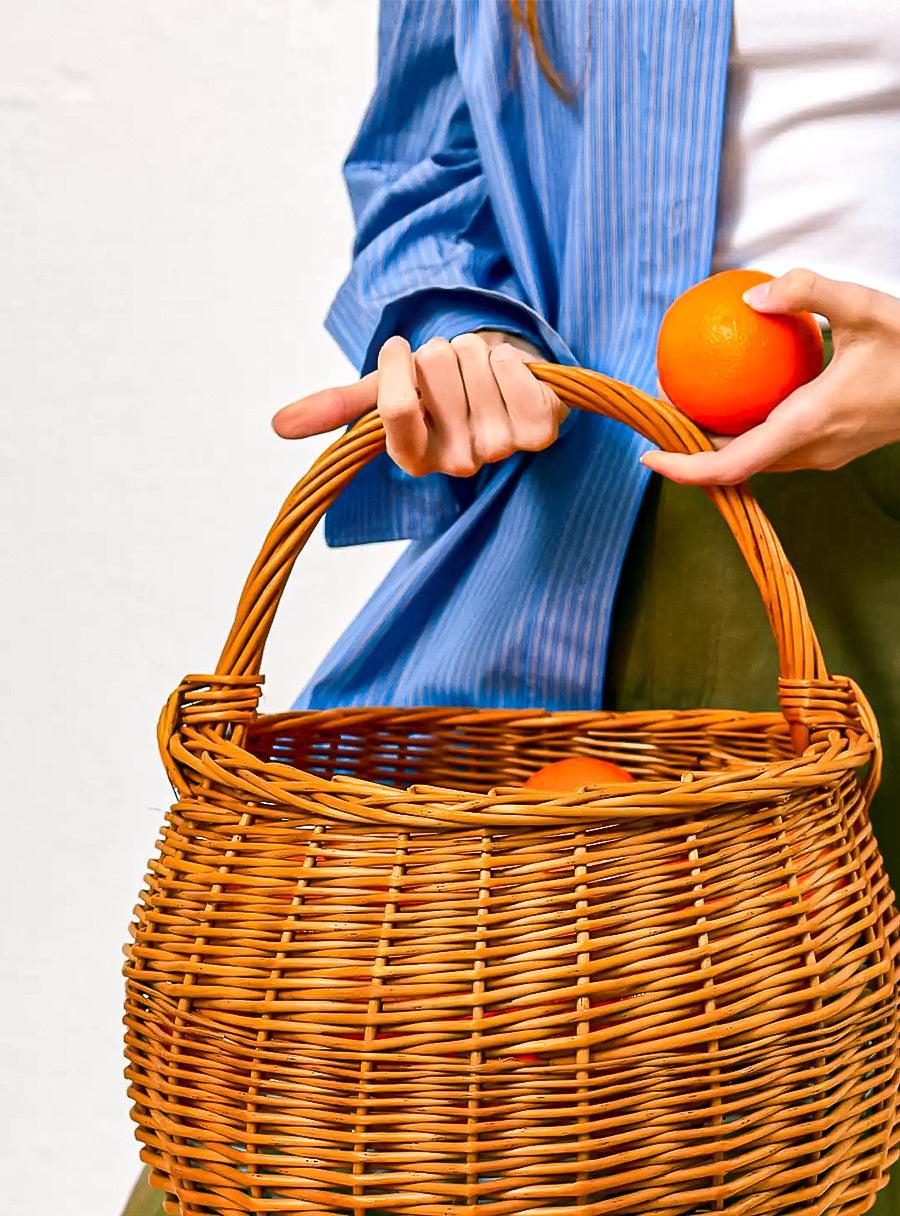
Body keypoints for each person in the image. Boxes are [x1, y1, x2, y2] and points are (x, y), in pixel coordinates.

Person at [123, 2, 900, 1212]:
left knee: (803, 1120)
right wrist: (456, 329)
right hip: (584, 493)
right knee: (361, 1110)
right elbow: (427, 164)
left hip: (867, 541)